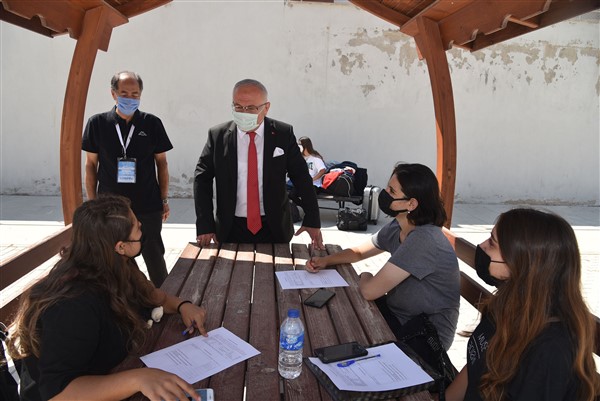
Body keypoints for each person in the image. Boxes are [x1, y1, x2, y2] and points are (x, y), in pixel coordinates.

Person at [6, 195, 208, 401]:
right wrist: (138, 379)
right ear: (121, 246)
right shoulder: (72, 305)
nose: (141, 226)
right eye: (137, 227)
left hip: (117, 371)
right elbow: (59, 394)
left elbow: (155, 297)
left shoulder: (116, 264)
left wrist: (183, 305)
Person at [445, 208, 600, 401]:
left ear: (522, 263)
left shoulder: (551, 350)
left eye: (492, 243)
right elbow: (475, 365)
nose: (482, 246)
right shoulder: (504, 305)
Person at [306, 163, 460, 351]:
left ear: (411, 204)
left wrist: (365, 275)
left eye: (392, 191)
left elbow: (369, 291)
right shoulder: (398, 225)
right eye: (387, 187)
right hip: (398, 316)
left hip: (424, 338)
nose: (385, 194)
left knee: (338, 324)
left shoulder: (423, 239)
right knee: (336, 312)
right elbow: (359, 252)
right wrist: (325, 261)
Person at [194, 79, 323, 247]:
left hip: (274, 227)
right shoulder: (218, 136)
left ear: (266, 107)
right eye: (238, 107)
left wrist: (312, 218)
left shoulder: (283, 134)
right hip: (230, 227)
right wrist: (205, 224)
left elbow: (301, 177)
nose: (244, 113)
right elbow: (202, 179)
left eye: (251, 108)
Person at [82, 71, 172, 287]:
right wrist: (93, 203)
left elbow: (162, 163)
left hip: (148, 203)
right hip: (111, 207)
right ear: (113, 94)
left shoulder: (152, 124)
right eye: (124, 93)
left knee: (154, 256)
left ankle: (164, 297)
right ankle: (121, 299)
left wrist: (164, 199)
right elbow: (91, 165)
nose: (129, 98)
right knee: (114, 258)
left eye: (135, 94)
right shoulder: (97, 123)